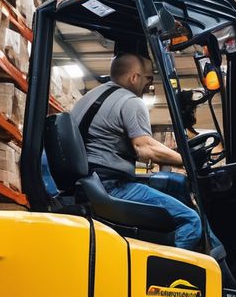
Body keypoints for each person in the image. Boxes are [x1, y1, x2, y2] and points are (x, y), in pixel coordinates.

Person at [71, 53, 224, 259]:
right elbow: (145, 149)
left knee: (174, 186)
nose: (150, 85)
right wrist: (186, 161)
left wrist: (180, 156)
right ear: (134, 78)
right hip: (112, 187)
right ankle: (166, 277)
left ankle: (215, 256)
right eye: (148, 78)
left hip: (90, 183)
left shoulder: (89, 97)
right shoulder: (130, 101)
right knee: (191, 221)